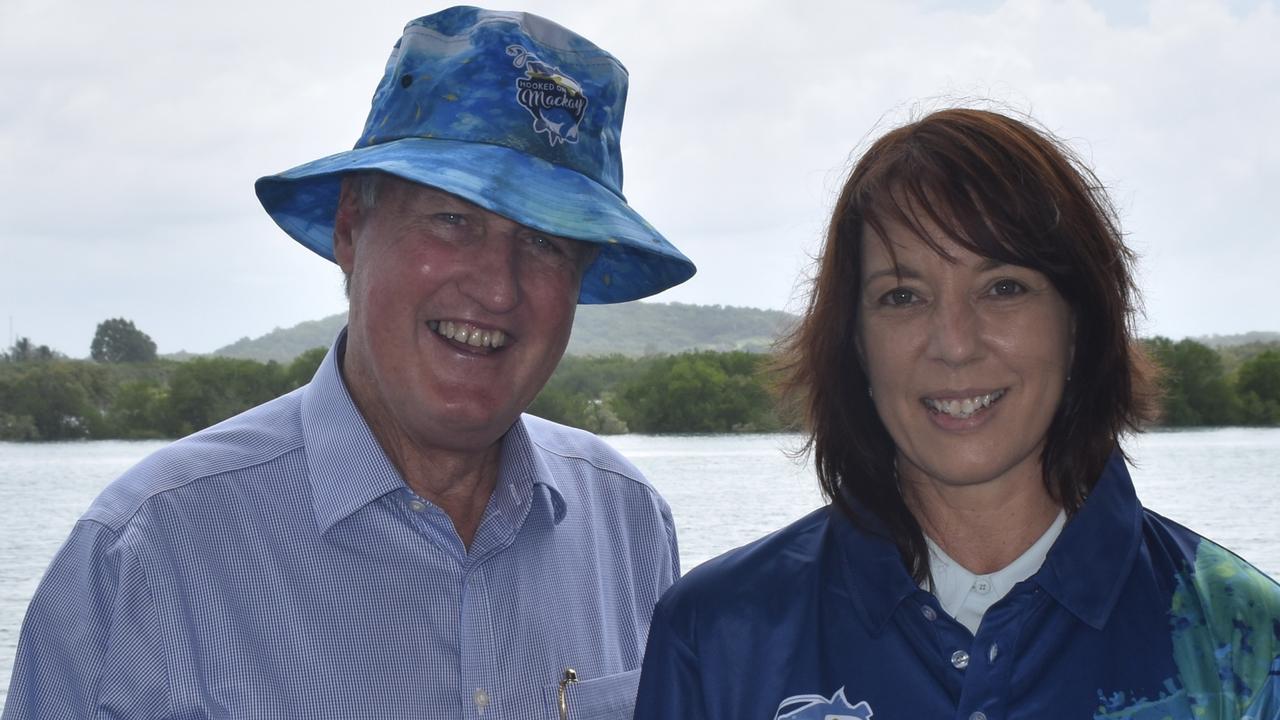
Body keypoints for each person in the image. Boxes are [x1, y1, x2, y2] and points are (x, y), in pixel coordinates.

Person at [4, 7, 694, 719]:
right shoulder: (146, 553)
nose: (498, 286)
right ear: (350, 230)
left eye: (548, 243)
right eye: (453, 219)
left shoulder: (630, 526)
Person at [633, 108, 1280, 720]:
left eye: (1003, 288)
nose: (954, 344)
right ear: (855, 341)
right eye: (902, 295)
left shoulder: (1245, 637)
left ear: (1079, 320)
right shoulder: (718, 632)